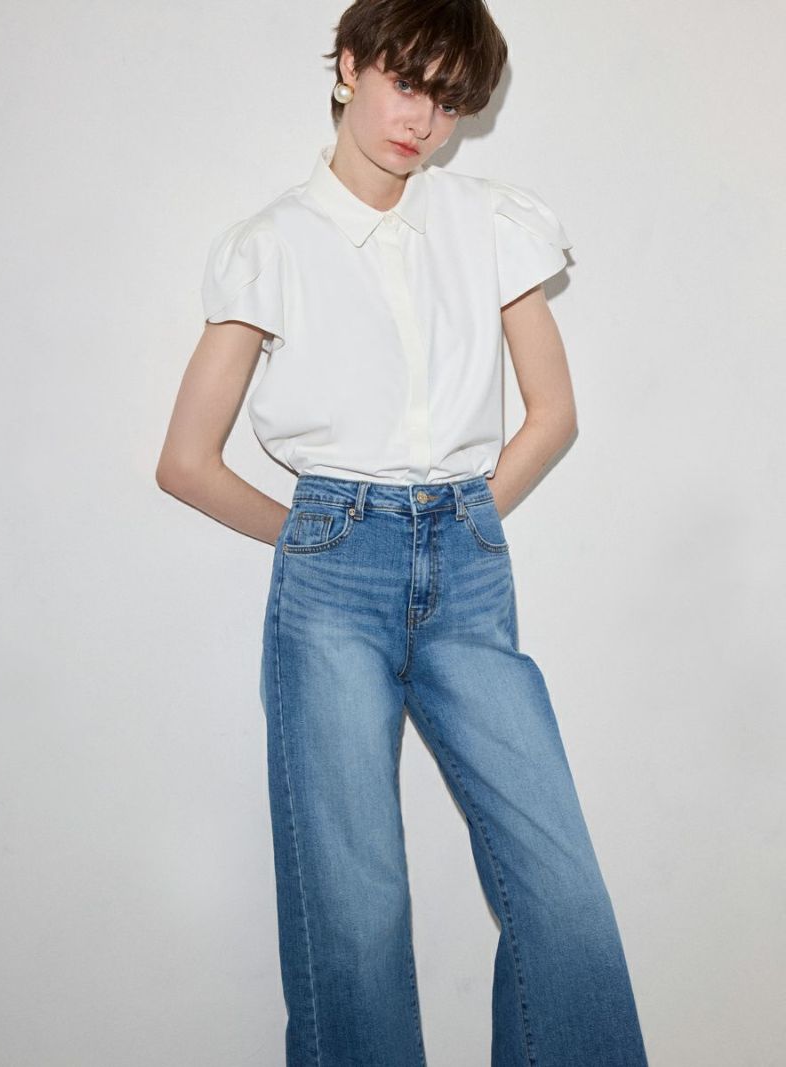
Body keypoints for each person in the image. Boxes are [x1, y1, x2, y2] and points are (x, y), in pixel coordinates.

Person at [156, 1, 649, 1063]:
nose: (422, 120)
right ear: (349, 65)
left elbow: (552, 413)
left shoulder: (488, 223)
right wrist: (321, 535)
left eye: (448, 102)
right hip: (333, 581)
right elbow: (186, 460)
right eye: (406, 83)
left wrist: (461, 521)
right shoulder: (270, 245)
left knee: (560, 887)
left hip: (466, 570)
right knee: (357, 906)